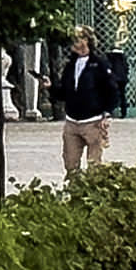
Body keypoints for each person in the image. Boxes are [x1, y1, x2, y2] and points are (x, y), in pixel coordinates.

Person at [53, 30, 122, 177]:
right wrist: (50, 87)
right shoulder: (70, 65)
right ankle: (74, 187)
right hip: (72, 121)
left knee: (94, 165)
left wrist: (107, 113)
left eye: (77, 40)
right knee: (70, 163)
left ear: (86, 41)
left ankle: (92, 189)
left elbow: (111, 89)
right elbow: (64, 92)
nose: (74, 45)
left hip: (93, 120)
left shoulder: (99, 64)